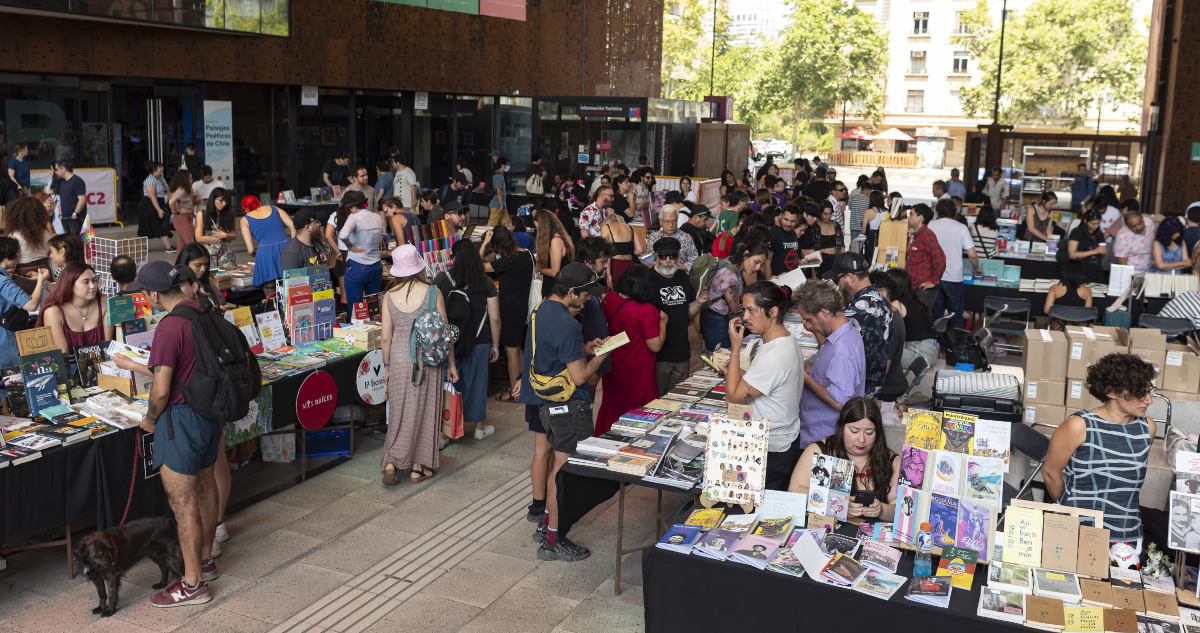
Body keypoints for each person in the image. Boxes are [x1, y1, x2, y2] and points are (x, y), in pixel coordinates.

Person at [117, 261, 223, 606]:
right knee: (206, 485)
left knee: (182, 502)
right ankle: (205, 563)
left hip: (181, 420)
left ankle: (192, 585)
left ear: (152, 295)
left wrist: (149, 420)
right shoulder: (205, 311)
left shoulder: (169, 327)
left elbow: (161, 390)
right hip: (211, 414)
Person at [521, 263, 613, 561]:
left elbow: (552, 352)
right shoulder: (568, 323)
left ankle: (547, 526)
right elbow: (579, 377)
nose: (588, 300)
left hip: (548, 405)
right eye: (586, 295)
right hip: (568, 408)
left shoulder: (543, 308)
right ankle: (553, 541)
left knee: (557, 469)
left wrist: (584, 348)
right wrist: (600, 355)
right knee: (564, 475)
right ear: (572, 292)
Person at [1044, 353, 1155, 549]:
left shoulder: (1146, 428)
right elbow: (1050, 474)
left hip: (1126, 534)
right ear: (1111, 391)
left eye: (1148, 392)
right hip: (1077, 531)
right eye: (1140, 393)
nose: (1149, 400)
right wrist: (1072, 512)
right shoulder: (1079, 426)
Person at [381, 245, 458, 484]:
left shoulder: (388, 295)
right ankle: (417, 469)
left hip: (400, 359)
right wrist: (452, 365)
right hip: (429, 360)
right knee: (425, 412)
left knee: (399, 412)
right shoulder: (432, 292)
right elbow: (446, 334)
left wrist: (387, 367)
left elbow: (385, 336)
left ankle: (391, 463)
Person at [722, 282, 804, 490]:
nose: (745, 317)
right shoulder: (785, 340)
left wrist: (735, 349)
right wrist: (734, 371)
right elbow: (764, 382)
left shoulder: (773, 355)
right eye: (744, 309)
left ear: (773, 312)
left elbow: (733, 399)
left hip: (771, 449)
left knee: (760, 511)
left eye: (751, 310)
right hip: (781, 440)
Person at [787, 398, 900, 519]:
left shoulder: (890, 460)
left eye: (869, 432)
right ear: (841, 427)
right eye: (854, 431)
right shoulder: (820, 451)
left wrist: (881, 510)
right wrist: (836, 505)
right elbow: (795, 491)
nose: (861, 440)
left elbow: (900, 510)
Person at [435, 241, 500, 441]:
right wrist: (495, 344)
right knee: (477, 382)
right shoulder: (485, 282)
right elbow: (495, 317)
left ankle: (445, 433)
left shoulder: (441, 279)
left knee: (448, 382)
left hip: (448, 339)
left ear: (454, 258)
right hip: (479, 341)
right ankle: (479, 428)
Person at [596, 265, 666, 436]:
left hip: (614, 368)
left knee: (612, 407)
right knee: (641, 413)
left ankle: (607, 439)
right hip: (638, 372)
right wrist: (663, 322)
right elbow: (655, 345)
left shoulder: (611, 299)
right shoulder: (646, 310)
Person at [795, 279, 866, 447]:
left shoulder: (842, 351)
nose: (808, 326)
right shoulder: (841, 335)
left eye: (809, 319)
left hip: (823, 438)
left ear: (824, 312)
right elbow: (829, 373)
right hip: (816, 432)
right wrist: (806, 367)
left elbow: (839, 402)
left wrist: (805, 378)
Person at [826, 253, 892, 398]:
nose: (838, 285)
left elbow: (833, 346)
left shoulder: (857, 310)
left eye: (838, 280)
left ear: (850, 277)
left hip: (858, 390)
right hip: (874, 385)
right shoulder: (883, 300)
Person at [482, 227, 533, 403]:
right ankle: (522, 385)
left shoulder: (506, 261)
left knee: (511, 351)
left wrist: (483, 245)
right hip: (521, 308)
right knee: (517, 348)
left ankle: (515, 393)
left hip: (508, 309)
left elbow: (476, 266)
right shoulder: (527, 254)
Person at [647, 237, 701, 395]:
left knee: (679, 398)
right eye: (663, 256)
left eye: (673, 256)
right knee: (657, 399)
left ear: (679, 256)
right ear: (656, 257)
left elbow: (689, 312)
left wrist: (699, 302)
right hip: (660, 354)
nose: (668, 260)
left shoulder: (683, 277)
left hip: (682, 351)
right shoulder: (648, 279)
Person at [701, 242, 769, 353]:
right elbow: (735, 308)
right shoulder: (730, 276)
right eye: (756, 262)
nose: (757, 268)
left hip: (714, 320)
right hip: (719, 324)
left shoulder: (730, 262)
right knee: (721, 361)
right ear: (745, 254)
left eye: (761, 265)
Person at [38, 262, 114, 356]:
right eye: (86, 282)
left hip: (103, 366)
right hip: (71, 367)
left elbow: (108, 348)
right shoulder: (53, 312)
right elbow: (64, 355)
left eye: (94, 280)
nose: (93, 286)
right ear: (70, 285)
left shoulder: (105, 303)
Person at [928, 199, 982, 329]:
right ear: (955, 211)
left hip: (934, 277)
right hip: (954, 278)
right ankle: (957, 347)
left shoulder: (930, 225)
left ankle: (937, 347)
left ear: (937, 210)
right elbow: (972, 254)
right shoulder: (961, 228)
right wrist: (976, 268)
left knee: (936, 316)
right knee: (956, 316)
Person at [0, 237, 47, 368]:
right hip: (4, 337)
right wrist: (40, 281)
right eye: (18, 252)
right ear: (7, 256)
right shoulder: (3, 281)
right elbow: (31, 305)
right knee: (10, 378)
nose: (19, 255)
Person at [867, 271, 909, 402]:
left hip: (888, 391)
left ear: (882, 294)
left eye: (869, 293)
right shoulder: (889, 314)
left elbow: (882, 370)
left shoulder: (890, 322)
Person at [338, 190, 386, 304]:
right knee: (373, 306)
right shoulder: (377, 217)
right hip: (376, 266)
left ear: (354, 207)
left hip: (357, 266)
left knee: (357, 308)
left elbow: (343, 235)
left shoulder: (353, 218)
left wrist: (350, 246)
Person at [885, 268, 938, 369]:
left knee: (878, 354)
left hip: (919, 355)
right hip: (931, 352)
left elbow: (887, 329)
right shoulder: (914, 300)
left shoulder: (897, 304)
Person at [238, 195, 295, 287]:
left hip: (265, 253)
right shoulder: (274, 208)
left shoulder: (244, 220)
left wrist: (258, 257)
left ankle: (271, 300)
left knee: (270, 286)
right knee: (290, 283)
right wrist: (294, 244)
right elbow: (293, 226)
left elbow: (250, 250)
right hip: (286, 247)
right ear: (259, 203)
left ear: (244, 208)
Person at [5, 197, 54, 296]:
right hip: (46, 276)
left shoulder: (16, 235)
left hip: (23, 279)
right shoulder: (48, 232)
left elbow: (9, 262)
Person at [535, 210, 575, 299]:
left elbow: (555, 272)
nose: (537, 231)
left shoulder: (556, 241)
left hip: (555, 290)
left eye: (538, 228)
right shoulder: (557, 238)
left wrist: (539, 268)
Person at [646, 204, 699, 270]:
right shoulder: (653, 238)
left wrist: (681, 267)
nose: (671, 225)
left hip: (679, 275)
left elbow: (695, 261)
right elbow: (648, 259)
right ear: (660, 222)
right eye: (667, 221)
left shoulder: (686, 238)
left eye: (674, 221)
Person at [600, 208, 642, 290]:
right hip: (630, 266)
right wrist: (627, 249)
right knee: (630, 294)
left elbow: (606, 253)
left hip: (615, 266)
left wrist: (608, 275)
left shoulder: (606, 227)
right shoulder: (630, 227)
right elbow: (640, 250)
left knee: (614, 297)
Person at [1044, 260, 1093, 330]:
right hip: (1079, 330)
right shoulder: (1087, 291)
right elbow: (1087, 315)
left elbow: (1047, 310)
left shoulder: (1055, 288)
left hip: (1058, 329)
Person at [196, 188, 238, 270]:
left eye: (226, 201)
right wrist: (219, 238)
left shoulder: (229, 213)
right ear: (213, 199)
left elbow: (234, 235)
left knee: (226, 277)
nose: (224, 204)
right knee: (211, 277)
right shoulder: (202, 214)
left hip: (227, 253)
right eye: (220, 201)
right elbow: (199, 238)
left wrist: (225, 235)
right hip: (210, 253)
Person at [277, 207, 329, 272]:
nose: (320, 224)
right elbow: (291, 281)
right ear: (307, 227)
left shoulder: (317, 243)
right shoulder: (291, 254)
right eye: (316, 222)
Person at [175, 243, 226, 308]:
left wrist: (219, 309)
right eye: (198, 265)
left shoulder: (208, 281)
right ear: (186, 263)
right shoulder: (180, 286)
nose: (203, 269)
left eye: (205, 264)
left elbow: (218, 303)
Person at [139, 161, 174, 253]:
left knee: (155, 225)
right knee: (151, 226)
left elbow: (168, 191)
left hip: (159, 204)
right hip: (149, 206)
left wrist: (171, 202)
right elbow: (152, 196)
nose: (161, 169)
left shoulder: (161, 179)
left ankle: (144, 248)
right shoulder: (150, 180)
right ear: (153, 169)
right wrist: (159, 210)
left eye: (161, 167)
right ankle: (168, 247)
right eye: (159, 167)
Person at [1067, 209, 1108, 283]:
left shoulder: (1099, 233)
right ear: (1085, 221)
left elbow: (1101, 256)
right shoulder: (1076, 232)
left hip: (1097, 271)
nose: (1096, 226)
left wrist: (1103, 252)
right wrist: (1094, 251)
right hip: (1081, 271)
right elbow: (1072, 254)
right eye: (1093, 224)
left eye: (1098, 223)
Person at [769, 205, 806, 278]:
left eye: (792, 221)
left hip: (793, 279)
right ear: (780, 216)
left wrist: (802, 263)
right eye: (786, 219)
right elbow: (767, 261)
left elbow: (797, 256)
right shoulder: (773, 232)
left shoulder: (793, 233)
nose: (788, 224)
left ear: (797, 220)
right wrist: (769, 281)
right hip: (778, 280)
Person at [1114, 212, 1156, 276]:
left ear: (1142, 219)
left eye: (1140, 223)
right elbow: (1122, 263)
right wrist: (1131, 278)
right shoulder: (1122, 237)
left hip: (1152, 269)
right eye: (1133, 226)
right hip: (1134, 273)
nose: (1138, 227)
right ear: (1127, 226)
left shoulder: (1149, 222)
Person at [55, 161, 87, 238]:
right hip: (65, 218)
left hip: (75, 219)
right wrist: (61, 213)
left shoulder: (77, 181)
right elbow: (63, 200)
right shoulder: (62, 182)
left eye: (57, 170)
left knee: (74, 242)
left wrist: (75, 213)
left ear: (63, 169)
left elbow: (82, 200)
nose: (55, 172)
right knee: (69, 242)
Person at [168, 170, 199, 251]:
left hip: (184, 218)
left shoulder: (185, 189)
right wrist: (174, 211)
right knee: (192, 244)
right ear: (184, 179)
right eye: (190, 178)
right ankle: (194, 261)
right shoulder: (181, 190)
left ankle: (180, 262)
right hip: (183, 219)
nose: (192, 180)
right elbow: (171, 202)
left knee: (181, 245)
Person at [488, 157, 510, 226]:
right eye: (507, 165)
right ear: (502, 165)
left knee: (507, 224)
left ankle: (509, 236)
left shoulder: (500, 175)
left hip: (501, 206)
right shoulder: (498, 176)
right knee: (490, 226)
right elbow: (499, 192)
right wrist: (501, 204)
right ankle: (485, 236)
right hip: (497, 205)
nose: (508, 166)